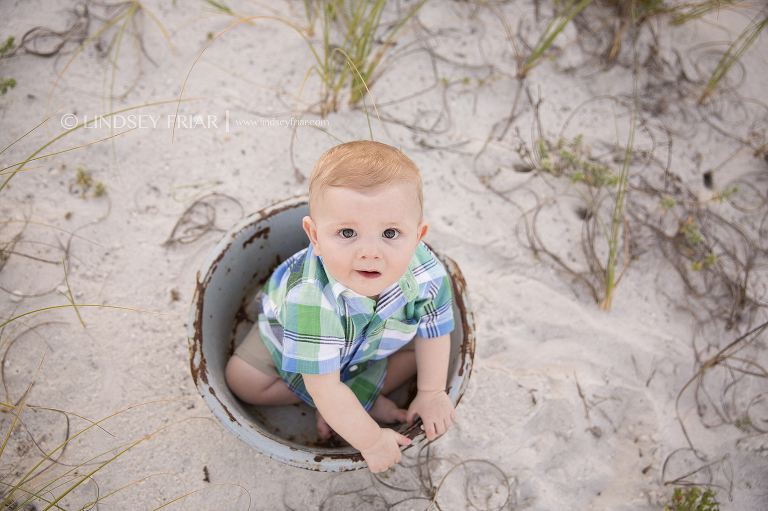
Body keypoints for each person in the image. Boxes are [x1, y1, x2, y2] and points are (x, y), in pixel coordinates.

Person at [225, 140, 455, 473]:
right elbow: (327, 387)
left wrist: (431, 391)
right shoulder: (311, 300)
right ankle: (346, 403)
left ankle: (351, 403)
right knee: (241, 381)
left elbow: (434, 324)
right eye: (347, 232)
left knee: (419, 355)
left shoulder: (426, 272)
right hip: (298, 339)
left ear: (418, 237)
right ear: (315, 237)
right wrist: (372, 441)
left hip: (371, 346)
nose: (370, 252)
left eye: (391, 232)